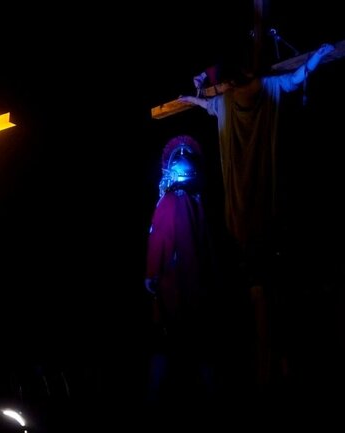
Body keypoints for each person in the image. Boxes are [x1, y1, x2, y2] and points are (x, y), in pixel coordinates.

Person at [179, 42, 335, 389]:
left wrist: (318, 57)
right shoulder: (253, 93)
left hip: (253, 221)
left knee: (266, 293)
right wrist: (317, 58)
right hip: (257, 220)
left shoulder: (244, 96)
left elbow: (291, 79)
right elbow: (294, 78)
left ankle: (274, 362)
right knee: (263, 293)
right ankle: (272, 363)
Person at [144, 135, 217, 408]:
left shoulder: (170, 202)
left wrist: (151, 274)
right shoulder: (197, 204)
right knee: (199, 350)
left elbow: (159, 239)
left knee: (166, 348)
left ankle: (156, 403)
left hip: (174, 292)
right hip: (197, 293)